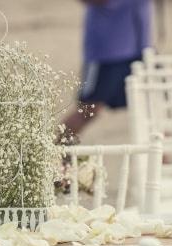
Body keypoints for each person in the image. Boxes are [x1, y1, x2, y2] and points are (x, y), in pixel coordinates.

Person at [62, 0, 153, 141]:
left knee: (154, 108)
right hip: (108, 52)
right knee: (88, 110)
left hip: (142, 48)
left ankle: (162, 160)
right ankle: (56, 156)